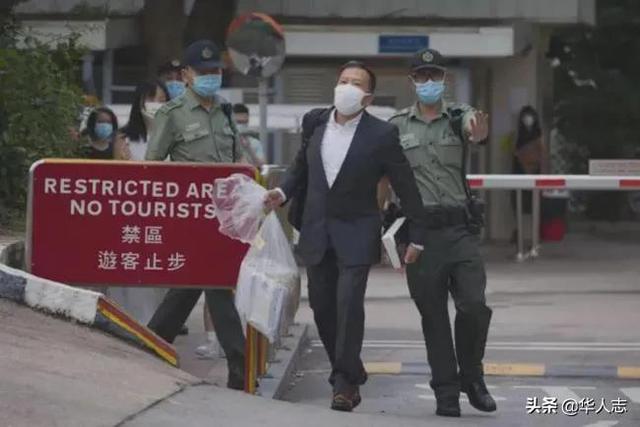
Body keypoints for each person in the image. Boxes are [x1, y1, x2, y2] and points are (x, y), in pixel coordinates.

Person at [264, 61, 426, 412]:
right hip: (316, 229)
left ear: (367, 97)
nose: (347, 87)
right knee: (323, 308)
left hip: (357, 230)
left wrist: (418, 233)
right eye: (343, 80)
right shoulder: (315, 121)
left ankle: (344, 384)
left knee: (348, 304)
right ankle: (351, 367)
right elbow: (300, 167)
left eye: (356, 84)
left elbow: (405, 185)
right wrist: (282, 193)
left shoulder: (381, 135)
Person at [389, 48, 495, 418]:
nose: (429, 82)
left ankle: (472, 376)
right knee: (433, 318)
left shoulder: (456, 116)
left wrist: (477, 130)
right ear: (412, 82)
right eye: (422, 76)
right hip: (420, 234)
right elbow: (383, 175)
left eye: (435, 76)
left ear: (444, 79)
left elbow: (475, 127)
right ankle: (446, 393)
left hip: (459, 230)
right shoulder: (397, 125)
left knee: (474, 306)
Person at [145, 40, 247, 390]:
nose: (211, 78)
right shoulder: (172, 114)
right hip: (191, 218)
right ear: (186, 75)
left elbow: (235, 161)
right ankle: (240, 366)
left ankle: (150, 346)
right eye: (203, 72)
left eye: (215, 72)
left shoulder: (225, 111)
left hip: (225, 218)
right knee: (216, 285)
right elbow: (153, 168)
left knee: (189, 287)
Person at [104, 81, 170, 325]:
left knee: (157, 274)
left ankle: (157, 325)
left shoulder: (173, 137)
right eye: (152, 99)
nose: (157, 105)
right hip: (131, 214)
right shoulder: (124, 138)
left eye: (163, 100)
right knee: (129, 274)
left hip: (162, 215)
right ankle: (129, 322)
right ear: (140, 102)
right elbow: (118, 177)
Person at [511, 105, 549, 240]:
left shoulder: (538, 136)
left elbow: (542, 157)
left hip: (535, 174)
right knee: (519, 206)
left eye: (530, 116)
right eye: (525, 116)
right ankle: (520, 234)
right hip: (519, 174)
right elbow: (514, 155)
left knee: (535, 207)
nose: (528, 119)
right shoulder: (518, 136)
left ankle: (534, 237)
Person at [114, 81, 169, 161]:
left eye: (161, 100)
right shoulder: (123, 139)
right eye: (150, 99)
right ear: (139, 102)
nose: (155, 104)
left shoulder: (177, 138)